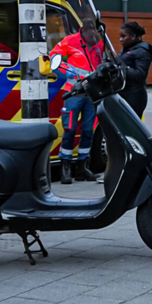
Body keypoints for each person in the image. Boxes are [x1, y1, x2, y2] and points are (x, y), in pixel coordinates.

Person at [50, 21, 104, 184]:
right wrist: (65, 69)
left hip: (91, 93)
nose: (93, 38)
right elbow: (54, 56)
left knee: (88, 131)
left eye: (95, 35)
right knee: (70, 129)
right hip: (74, 91)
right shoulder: (70, 40)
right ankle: (65, 167)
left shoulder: (99, 44)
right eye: (91, 35)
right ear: (84, 32)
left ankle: (82, 166)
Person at [117, 21, 152, 117]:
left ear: (133, 36)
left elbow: (140, 74)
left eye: (123, 36)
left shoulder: (143, 52)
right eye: (120, 36)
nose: (120, 40)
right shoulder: (126, 50)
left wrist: (120, 67)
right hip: (123, 93)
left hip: (134, 96)